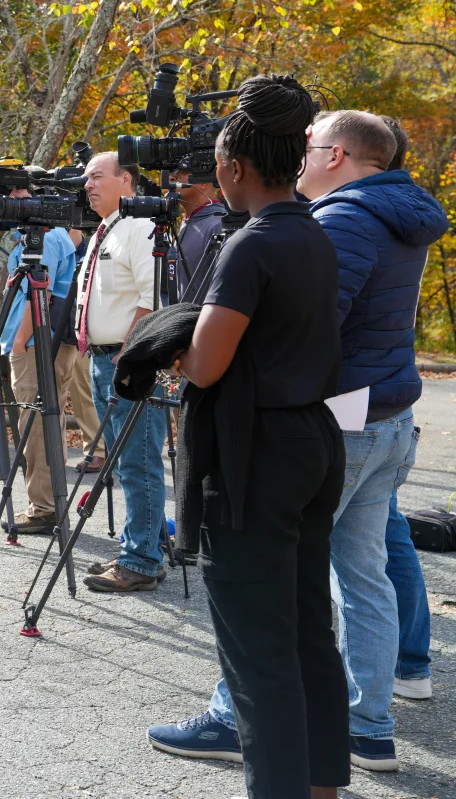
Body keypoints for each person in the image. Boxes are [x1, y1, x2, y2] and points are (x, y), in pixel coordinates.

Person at [149, 108, 448, 773]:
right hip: (386, 412)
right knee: (358, 577)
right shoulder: (401, 214)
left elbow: (303, 332)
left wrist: (201, 344)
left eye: (311, 147)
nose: (301, 159)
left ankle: (238, 717)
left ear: (338, 155)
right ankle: (370, 725)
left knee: (278, 597)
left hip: (338, 418)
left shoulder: (338, 221)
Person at [152, 75, 348, 798]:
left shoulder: (251, 245)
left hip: (254, 454)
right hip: (313, 442)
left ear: (233, 168)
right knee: (306, 635)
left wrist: (172, 348)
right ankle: (322, 785)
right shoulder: (315, 233)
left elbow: (206, 363)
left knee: (257, 653)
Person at [74, 152, 167, 592]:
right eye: (85, 177)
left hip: (126, 363)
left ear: (125, 179)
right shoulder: (104, 230)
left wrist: (130, 355)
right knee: (124, 462)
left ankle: (141, 562)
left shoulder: (140, 226)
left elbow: (153, 298)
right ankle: (143, 549)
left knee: (138, 463)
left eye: (96, 176)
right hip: (100, 359)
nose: (87, 183)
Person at [379, 114, 433, 700]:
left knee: (372, 537)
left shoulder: (359, 218)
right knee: (385, 531)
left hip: (356, 400)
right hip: (392, 390)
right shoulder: (404, 213)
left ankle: (405, 663)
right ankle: (410, 661)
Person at [0, 220, 77, 533]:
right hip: (37, 341)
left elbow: (39, 295)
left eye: (20, 190)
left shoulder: (47, 238)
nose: (12, 198)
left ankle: (44, 509)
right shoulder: (29, 238)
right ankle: (47, 505)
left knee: (36, 425)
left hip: (36, 343)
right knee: (43, 421)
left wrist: (19, 341)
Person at [57, 228, 106, 473]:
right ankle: (96, 448)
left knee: (83, 386)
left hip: (85, 325)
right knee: (81, 386)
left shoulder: (80, 239)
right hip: (68, 323)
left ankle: (98, 449)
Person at [169, 167, 227, 299]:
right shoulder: (189, 222)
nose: (171, 177)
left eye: (180, 172)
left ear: (203, 183)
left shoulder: (219, 223)